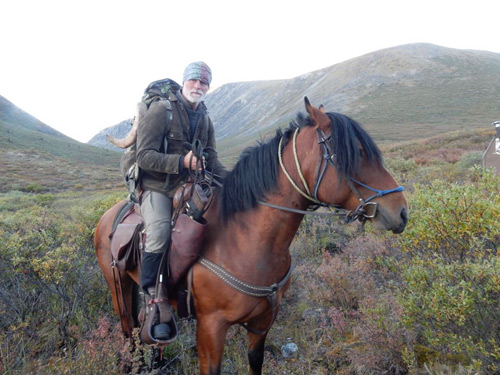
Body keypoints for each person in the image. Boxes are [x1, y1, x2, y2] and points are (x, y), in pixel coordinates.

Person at [136, 61, 226, 340]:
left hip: (189, 186)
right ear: (184, 81)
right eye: (194, 81)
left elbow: (211, 158)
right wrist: (181, 161)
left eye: (203, 83)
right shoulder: (161, 111)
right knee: (161, 230)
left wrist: (237, 182)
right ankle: (152, 291)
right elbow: (144, 156)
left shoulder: (206, 118)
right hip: (157, 187)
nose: (198, 87)